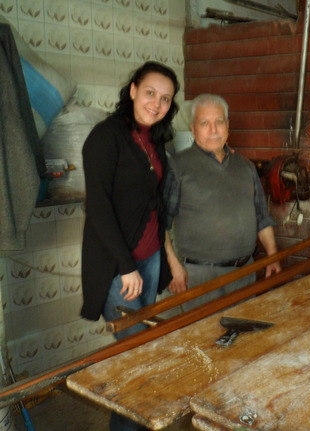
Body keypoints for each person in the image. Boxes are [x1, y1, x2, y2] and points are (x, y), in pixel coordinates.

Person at [80, 61, 186, 430]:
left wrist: (169, 258)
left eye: (165, 99)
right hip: (117, 267)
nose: (156, 103)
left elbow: (154, 206)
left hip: (151, 259)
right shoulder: (105, 137)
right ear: (133, 90)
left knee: (144, 351)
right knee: (136, 359)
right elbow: (98, 208)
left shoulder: (155, 139)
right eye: (150, 93)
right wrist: (126, 266)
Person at [167, 94, 281, 309]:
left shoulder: (245, 166)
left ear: (228, 126)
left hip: (245, 272)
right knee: (204, 338)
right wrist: (173, 266)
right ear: (193, 128)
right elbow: (160, 223)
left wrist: (272, 255)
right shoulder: (177, 166)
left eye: (219, 122)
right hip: (201, 276)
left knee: (244, 336)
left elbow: (261, 218)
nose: (213, 130)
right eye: (205, 123)